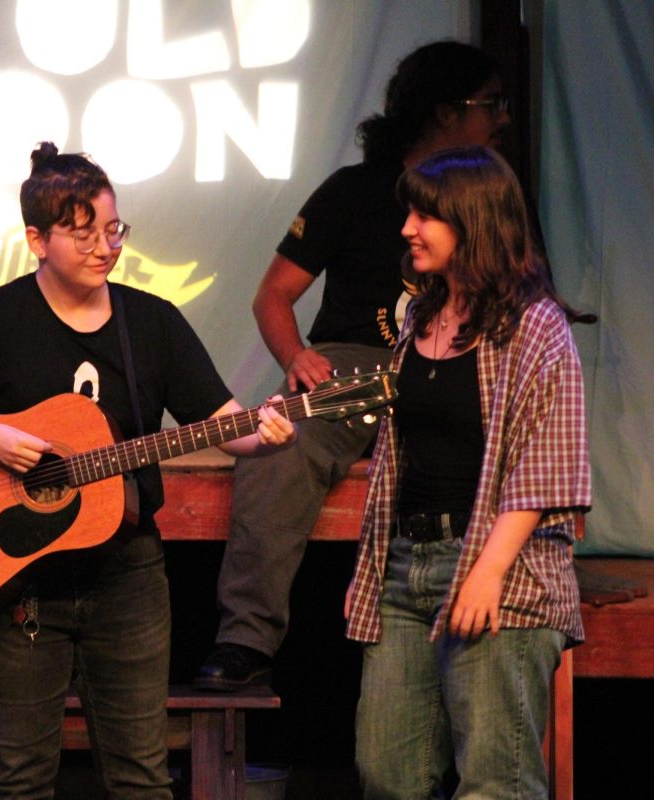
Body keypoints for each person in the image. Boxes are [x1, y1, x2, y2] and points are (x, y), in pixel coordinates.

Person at [0, 142, 296, 799]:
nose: (104, 246)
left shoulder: (151, 323)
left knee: (142, 780)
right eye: (83, 231)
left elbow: (228, 424)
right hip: (19, 585)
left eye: (113, 229)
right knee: (17, 783)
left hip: (128, 576)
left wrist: (267, 436)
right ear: (36, 239)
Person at [196, 40, 513, 691]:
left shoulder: (495, 197)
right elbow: (273, 294)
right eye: (491, 105)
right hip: (358, 366)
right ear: (446, 113)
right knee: (280, 435)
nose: (502, 120)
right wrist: (298, 355)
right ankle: (246, 638)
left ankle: (495, 619)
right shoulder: (357, 191)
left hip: (461, 363)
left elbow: (521, 303)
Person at [345, 145, 590, 798]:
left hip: (499, 572)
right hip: (406, 566)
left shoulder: (535, 328)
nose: (407, 229)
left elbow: (545, 468)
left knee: (495, 783)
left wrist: (485, 574)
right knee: (386, 775)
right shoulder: (419, 320)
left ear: (472, 221)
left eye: (425, 215)